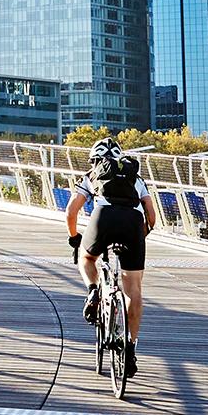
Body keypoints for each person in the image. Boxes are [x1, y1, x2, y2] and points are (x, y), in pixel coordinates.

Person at [64, 137, 157, 379]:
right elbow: (151, 214)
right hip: (133, 224)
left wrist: (75, 238)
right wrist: (140, 235)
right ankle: (130, 348)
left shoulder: (91, 174)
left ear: (94, 159)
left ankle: (94, 289)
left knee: (86, 258)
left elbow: (71, 211)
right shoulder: (135, 178)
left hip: (103, 217)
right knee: (133, 289)